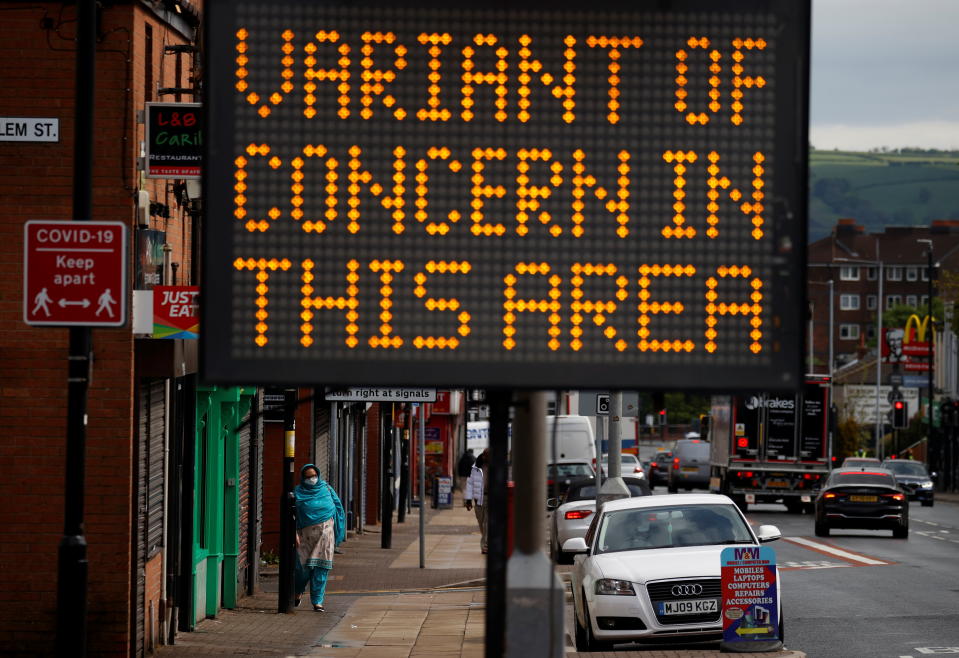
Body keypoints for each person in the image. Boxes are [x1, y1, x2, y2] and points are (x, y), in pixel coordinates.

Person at [293, 463, 345, 612]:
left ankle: (317, 601)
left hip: (325, 535)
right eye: (308, 477)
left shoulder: (327, 489)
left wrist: (339, 531)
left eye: (314, 476)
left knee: (321, 569)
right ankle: (298, 591)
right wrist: (294, 533)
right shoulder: (297, 493)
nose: (312, 479)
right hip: (305, 536)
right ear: (303, 478)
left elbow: (338, 509)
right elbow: (291, 515)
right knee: (302, 570)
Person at [464, 448, 488, 553]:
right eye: (486, 455)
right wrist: (468, 500)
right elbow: (469, 484)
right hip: (478, 499)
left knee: (488, 522)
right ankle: (486, 540)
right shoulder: (475, 468)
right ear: (483, 456)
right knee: (481, 522)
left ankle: (485, 545)